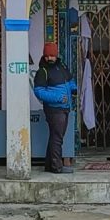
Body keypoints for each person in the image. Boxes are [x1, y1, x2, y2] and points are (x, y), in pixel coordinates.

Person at [33, 42, 76, 174]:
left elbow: (70, 82)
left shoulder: (62, 67)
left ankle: (49, 165)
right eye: (47, 56)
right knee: (57, 138)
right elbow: (39, 92)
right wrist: (57, 97)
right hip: (54, 109)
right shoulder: (42, 71)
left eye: (52, 55)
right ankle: (57, 167)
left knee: (55, 136)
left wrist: (74, 89)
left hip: (65, 107)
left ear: (56, 55)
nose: (49, 58)